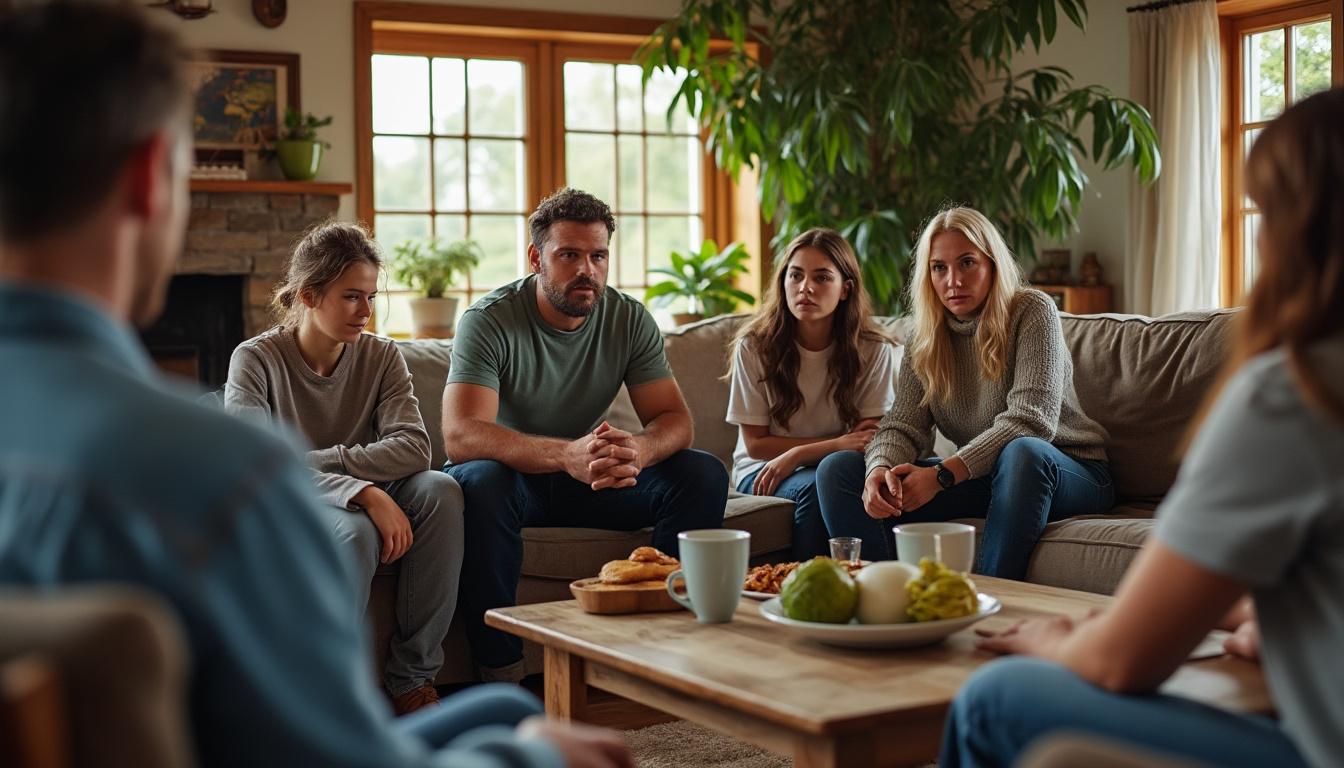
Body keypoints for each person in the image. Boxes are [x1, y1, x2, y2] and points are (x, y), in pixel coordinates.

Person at [0, 4, 630, 766]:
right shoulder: (221, 473)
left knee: (496, 702)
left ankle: (427, 685)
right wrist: (535, 757)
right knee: (529, 734)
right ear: (147, 178)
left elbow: (414, 446)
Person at [940, 87, 1344, 768]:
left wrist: (1052, 639)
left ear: (1289, 227)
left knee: (994, 696)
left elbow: (1121, 661)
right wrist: (1272, 621)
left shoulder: (1296, 392)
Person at [442, 187, 729, 680]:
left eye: (598, 256)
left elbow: (675, 421)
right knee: (480, 481)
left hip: (592, 478)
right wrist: (565, 454)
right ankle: (500, 673)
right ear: (536, 257)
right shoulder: (488, 321)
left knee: (701, 473)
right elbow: (461, 436)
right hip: (516, 481)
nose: (586, 270)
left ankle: (659, 650)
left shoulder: (628, 317)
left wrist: (639, 449)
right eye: (569, 255)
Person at [225, 221, 464, 715]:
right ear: (309, 295)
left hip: (337, 481)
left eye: (372, 296)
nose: (366, 312)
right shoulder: (255, 360)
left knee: (442, 490)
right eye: (352, 297)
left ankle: (412, 681)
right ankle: (335, 693)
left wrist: (328, 465)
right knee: (356, 531)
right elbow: (254, 467)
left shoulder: (383, 356)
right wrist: (362, 493)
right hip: (292, 501)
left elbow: (414, 449)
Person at [814, 206, 1114, 579]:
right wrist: (880, 469)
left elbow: (1031, 422)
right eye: (939, 267)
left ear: (992, 264)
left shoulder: (1032, 310)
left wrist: (941, 476)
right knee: (839, 471)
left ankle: (992, 605)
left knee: (1023, 453)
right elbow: (903, 424)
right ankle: (884, 594)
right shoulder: (924, 334)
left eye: (967, 263)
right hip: (983, 475)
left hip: (1068, 470)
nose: (953, 280)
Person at [726, 228, 896, 559]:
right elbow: (757, 445)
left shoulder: (874, 349)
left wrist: (800, 454)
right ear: (783, 283)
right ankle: (805, 593)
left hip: (834, 467)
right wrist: (826, 447)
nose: (805, 287)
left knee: (830, 482)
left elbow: (866, 440)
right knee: (816, 490)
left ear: (845, 289)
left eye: (821, 278)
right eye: (796, 276)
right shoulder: (754, 346)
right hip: (761, 468)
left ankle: (868, 584)